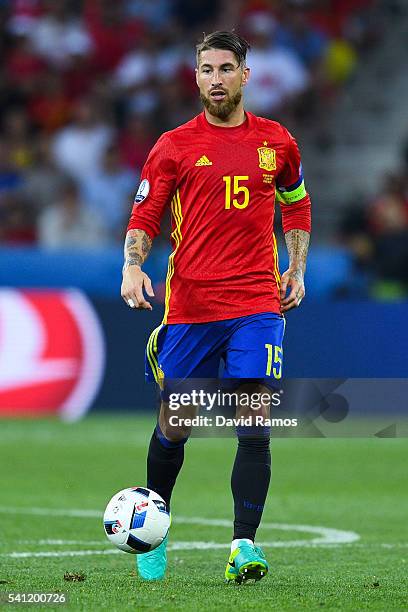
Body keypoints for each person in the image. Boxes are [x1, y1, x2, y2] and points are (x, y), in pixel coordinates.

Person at [121, 31, 311, 583]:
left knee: (254, 424)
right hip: (190, 307)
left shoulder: (277, 142)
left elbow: (296, 205)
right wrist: (133, 266)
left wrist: (295, 269)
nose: (216, 79)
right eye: (206, 69)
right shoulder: (174, 145)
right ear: (196, 77)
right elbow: (144, 217)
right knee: (177, 423)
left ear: (245, 76)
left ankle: (243, 547)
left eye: (226, 68)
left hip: (256, 303)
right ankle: (152, 532)